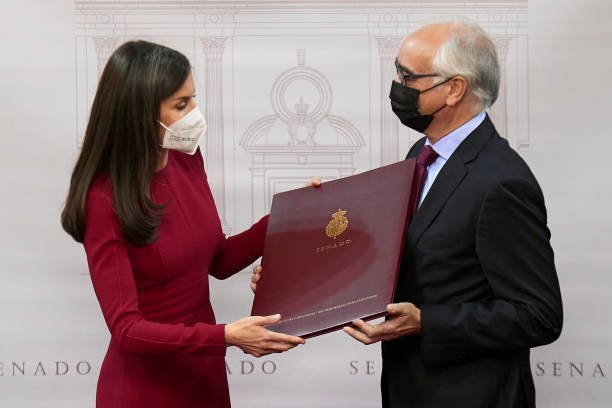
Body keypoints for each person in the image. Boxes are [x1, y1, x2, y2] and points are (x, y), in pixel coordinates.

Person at [254, 20, 563, 407]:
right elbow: (406, 256)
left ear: (454, 89)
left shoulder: (501, 183)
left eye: (408, 77)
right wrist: (293, 274)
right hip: (409, 387)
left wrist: (426, 323)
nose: (396, 86)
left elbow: (539, 315)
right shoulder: (422, 154)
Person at [61, 40, 314, 408]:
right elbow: (127, 330)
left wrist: (290, 215)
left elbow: (220, 261)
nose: (195, 112)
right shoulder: (103, 198)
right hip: (146, 390)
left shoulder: (186, 158)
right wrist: (224, 336)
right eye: (181, 104)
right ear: (139, 112)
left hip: (204, 376)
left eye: (193, 98)